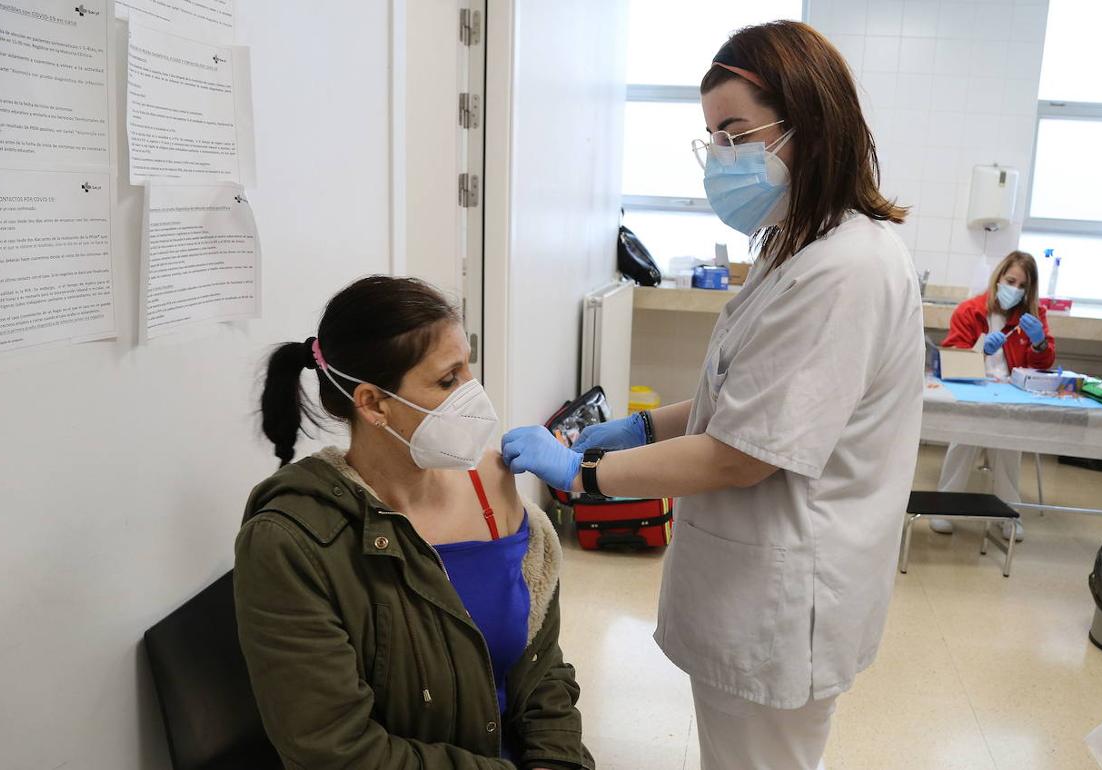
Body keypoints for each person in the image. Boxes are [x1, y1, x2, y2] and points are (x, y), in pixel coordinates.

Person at [501, 22, 924, 770]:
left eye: (736, 133)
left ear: (810, 125)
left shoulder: (844, 269)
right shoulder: (797, 246)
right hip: (758, 579)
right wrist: (635, 428)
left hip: (787, 595)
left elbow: (741, 455)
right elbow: (741, 400)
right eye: (712, 139)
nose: (721, 159)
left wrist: (583, 477)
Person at [234, 276, 592, 770]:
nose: (474, 395)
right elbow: (336, 751)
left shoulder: (491, 482)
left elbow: (541, 667)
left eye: (469, 367)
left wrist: (557, 761)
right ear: (373, 404)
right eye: (448, 380)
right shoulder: (292, 543)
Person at [930, 250, 1055, 541]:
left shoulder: (1034, 317)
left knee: (1010, 446)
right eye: (1010, 280)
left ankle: (1007, 514)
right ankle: (944, 508)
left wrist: (1039, 344)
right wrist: (979, 350)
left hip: (1012, 393)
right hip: (974, 388)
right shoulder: (970, 311)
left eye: (1023, 286)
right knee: (963, 441)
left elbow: (1044, 365)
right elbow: (952, 359)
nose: (1015, 289)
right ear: (998, 277)